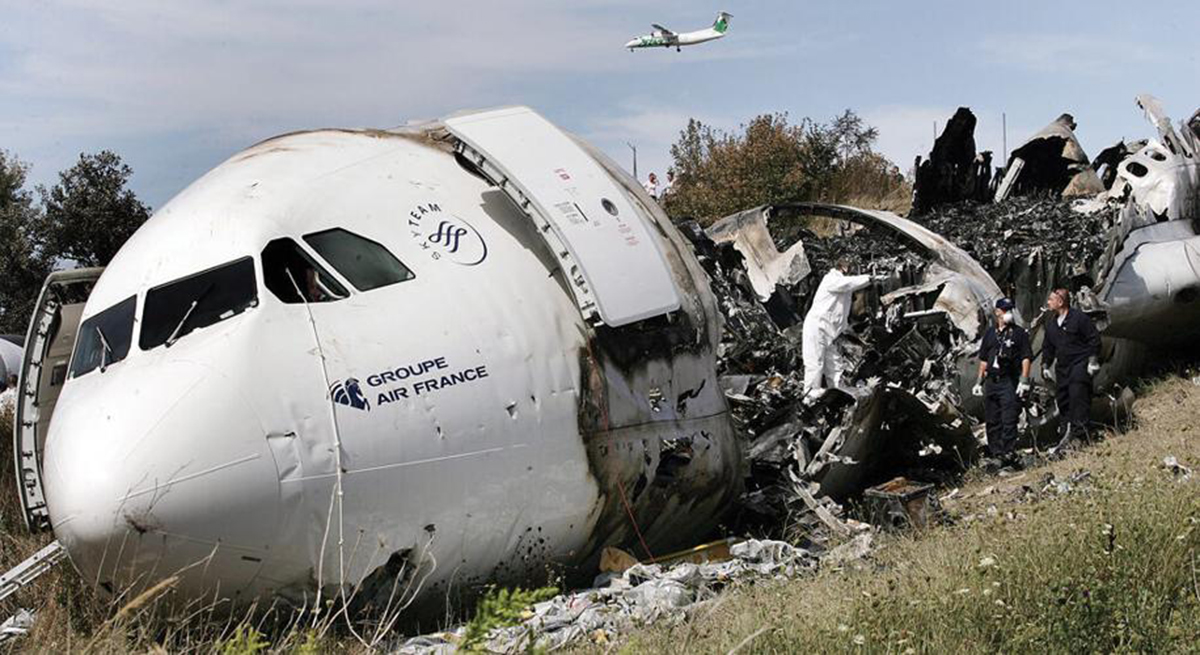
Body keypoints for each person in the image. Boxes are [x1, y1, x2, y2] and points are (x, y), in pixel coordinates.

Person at [801, 258, 876, 396]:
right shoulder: (831, 279)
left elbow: (842, 311)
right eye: (851, 266)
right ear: (843, 267)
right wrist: (868, 278)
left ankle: (838, 394)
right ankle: (810, 397)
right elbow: (847, 284)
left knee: (835, 366)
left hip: (831, 333)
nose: (852, 269)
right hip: (817, 329)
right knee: (815, 364)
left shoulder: (844, 286)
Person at [972, 298, 1032, 464]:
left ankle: (1008, 452)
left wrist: (1024, 379)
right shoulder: (990, 334)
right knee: (992, 420)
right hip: (992, 381)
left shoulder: (1019, 333)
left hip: (1008, 380)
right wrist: (978, 382)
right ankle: (996, 453)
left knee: (1008, 418)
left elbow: (1026, 357)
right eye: (1005, 310)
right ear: (997, 312)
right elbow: (984, 360)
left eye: (1010, 310)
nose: (1008, 313)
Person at [1041, 288, 1101, 448]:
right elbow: (1048, 347)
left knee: (1078, 396)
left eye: (1051, 300)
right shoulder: (1052, 324)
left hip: (1079, 364)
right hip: (1063, 368)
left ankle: (1080, 437)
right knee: (1063, 399)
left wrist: (1093, 361)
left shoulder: (1079, 318)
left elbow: (1093, 338)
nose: (1048, 303)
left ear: (1060, 302)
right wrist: (1045, 365)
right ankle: (1066, 434)